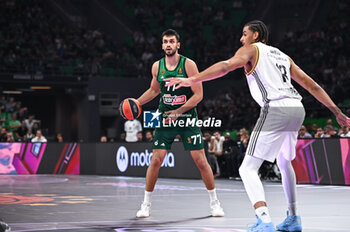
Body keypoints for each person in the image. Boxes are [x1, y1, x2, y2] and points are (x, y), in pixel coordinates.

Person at [165, 20, 350, 232]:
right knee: (284, 161)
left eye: (244, 34)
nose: (241, 39)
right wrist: (337, 111)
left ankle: (264, 220)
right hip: (297, 108)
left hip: (276, 107)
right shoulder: (282, 55)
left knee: (247, 169)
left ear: (255, 35)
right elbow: (312, 85)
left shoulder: (251, 50)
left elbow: (226, 66)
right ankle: (293, 217)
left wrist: (193, 79)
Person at [134, 29, 224, 218]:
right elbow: (153, 90)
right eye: (165, 41)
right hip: (166, 118)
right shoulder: (157, 66)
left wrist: (178, 112)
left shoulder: (189, 65)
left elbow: (198, 95)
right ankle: (146, 205)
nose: (168, 44)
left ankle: (215, 203)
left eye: (171, 41)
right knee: (156, 160)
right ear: (162, 45)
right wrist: (138, 102)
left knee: (200, 161)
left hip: (186, 117)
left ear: (178, 45)